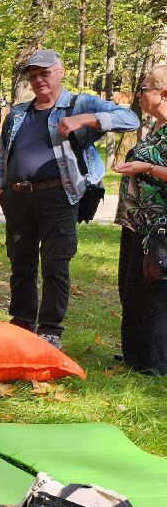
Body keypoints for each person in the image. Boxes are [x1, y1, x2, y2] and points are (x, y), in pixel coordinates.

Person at [0, 48, 139, 348]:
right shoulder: (18, 113)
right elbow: (4, 152)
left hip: (59, 197)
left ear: (60, 72)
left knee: (55, 266)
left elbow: (130, 118)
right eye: (33, 76)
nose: (38, 80)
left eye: (44, 73)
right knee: (21, 265)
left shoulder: (79, 104)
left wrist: (84, 120)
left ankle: (49, 331)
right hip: (17, 198)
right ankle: (21, 325)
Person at [114, 65, 167, 375]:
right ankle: (134, 355)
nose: (139, 94)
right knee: (132, 287)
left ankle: (155, 362)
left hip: (160, 228)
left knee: (156, 293)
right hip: (138, 223)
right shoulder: (156, 127)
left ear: (164, 94)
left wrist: (145, 168)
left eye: (145, 88)